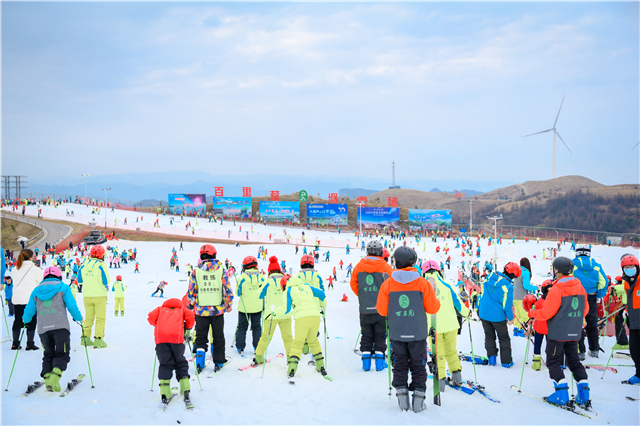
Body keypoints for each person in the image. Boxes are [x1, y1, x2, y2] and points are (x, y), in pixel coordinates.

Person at [376, 246, 440, 413]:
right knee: (419, 366)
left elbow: (382, 311)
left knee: (400, 365)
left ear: (396, 262)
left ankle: (403, 402)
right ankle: (418, 402)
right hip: (417, 334)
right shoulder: (423, 283)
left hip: (397, 333)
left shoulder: (388, 284)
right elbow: (433, 309)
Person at [528, 257, 590, 407]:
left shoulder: (557, 289)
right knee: (574, 362)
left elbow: (547, 313)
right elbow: (585, 310)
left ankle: (561, 394)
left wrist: (532, 313)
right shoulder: (580, 287)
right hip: (574, 332)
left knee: (553, 361)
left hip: (558, 333)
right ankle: (584, 395)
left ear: (556, 270)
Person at [22, 266, 83, 392]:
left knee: (48, 354)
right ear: (59, 276)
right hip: (60, 327)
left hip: (43, 328)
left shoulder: (36, 290)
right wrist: (78, 318)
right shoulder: (63, 287)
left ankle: (48, 376)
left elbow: (29, 309)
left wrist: (25, 320)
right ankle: (54, 378)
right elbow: (71, 305)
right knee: (62, 353)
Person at [280, 254, 328, 380]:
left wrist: (277, 312)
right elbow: (322, 291)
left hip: (302, 314)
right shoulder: (314, 278)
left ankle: (292, 369)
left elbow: (287, 308)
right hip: (314, 310)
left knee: (298, 342)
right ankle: (321, 366)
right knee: (314, 339)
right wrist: (323, 306)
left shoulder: (291, 286)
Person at [423, 260, 469, 389]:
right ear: (438, 271)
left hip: (433, 326)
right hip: (451, 325)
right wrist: (466, 312)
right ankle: (457, 377)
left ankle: (441, 382)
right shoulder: (447, 285)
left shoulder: (423, 286)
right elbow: (458, 303)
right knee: (451, 351)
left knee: (438, 354)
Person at [188, 244, 233, 373]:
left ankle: (200, 363)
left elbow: (192, 291)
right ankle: (219, 361)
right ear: (214, 254)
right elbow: (227, 288)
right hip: (217, 310)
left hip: (201, 310)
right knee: (218, 336)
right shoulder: (221, 269)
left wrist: (190, 305)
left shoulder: (196, 271)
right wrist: (228, 304)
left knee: (201, 336)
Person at [350, 240, 393, 371]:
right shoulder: (385, 266)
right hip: (381, 309)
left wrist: (363, 295)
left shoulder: (359, 266)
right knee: (380, 335)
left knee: (366, 334)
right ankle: (379, 364)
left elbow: (353, 284)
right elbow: (392, 285)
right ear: (380, 252)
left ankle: (366, 364)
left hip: (364, 308)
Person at [148, 297, 195, 406]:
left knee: (165, 363)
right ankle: (185, 389)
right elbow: (191, 317)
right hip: (177, 340)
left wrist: (157, 323)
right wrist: (187, 327)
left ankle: (165, 393)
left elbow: (150, 317)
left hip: (161, 340)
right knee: (180, 362)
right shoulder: (182, 310)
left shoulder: (160, 309)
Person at [478, 262, 520, 367]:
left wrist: (478, 308)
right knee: (503, 337)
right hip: (498, 317)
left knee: (489, 336)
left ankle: (492, 359)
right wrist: (510, 318)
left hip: (484, 313)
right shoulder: (507, 286)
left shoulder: (488, 278)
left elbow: (481, 295)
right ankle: (506, 362)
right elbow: (507, 306)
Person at [253, 256, 293, 365]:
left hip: (270, 314)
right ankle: (291, 358)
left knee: (266, 336)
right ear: (279, 269)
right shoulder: (286, 280)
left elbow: (260, 296)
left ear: (269, 270)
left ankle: (258, 357)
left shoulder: (267, 281)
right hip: (285, 313)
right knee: (288, 337)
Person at [573, 245, 608, 359]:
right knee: (592, 324)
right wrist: (599, 294)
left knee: (577, 324)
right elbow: (604, 282)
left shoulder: (572, 264)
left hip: (576, 297)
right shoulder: (597, 266)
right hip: (591, 298)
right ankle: (594, 350)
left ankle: (580, 351)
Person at [77, 244, 110, 348]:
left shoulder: (84, 264)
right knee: (100, 318)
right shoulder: (102, 265)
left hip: (87, 295)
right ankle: (98, 339)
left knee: (88, 317)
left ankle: (85, 338)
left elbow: (79, 280)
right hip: (99, 295)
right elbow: (107, 281)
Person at [10, 249, 43, 350]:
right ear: (30, 257)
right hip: (30, 300)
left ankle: (15, 343)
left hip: (18, 299)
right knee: (32, 321)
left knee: (17, 320)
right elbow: (41, 281)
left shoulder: (14, 269)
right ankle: (30, 343)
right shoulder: (35, 269)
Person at [235, 256, 265, 356]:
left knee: (242, 327)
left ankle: (240, 347)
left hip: (244, 308)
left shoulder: (242, 278)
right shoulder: (261, 277)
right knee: (256, 327)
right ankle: (257, 347)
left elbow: (238, 293)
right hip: (257, 307)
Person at [619, 254, 639, 385]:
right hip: (634, 321)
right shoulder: (626, 282)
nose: (629, 269)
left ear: (637, 266)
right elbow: (630, 300)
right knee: (635, 350)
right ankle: (639, 374)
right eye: (626, 267)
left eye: (631, 266)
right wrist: (626, 309)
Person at [513, 257, 537, 330]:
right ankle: (522, 332)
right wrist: (537, 287)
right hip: (521, 297)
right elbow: (526, 286)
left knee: (517, 316)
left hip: (514, 297)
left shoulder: (517, 271)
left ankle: (516, 331)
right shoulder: (525, 272)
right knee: (524, 316)